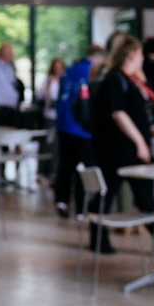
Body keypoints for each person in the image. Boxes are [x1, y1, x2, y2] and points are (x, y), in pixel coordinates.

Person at [89, 35, 154, 254]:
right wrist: (140, 142)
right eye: (141, 54)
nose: (143, 58)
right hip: (120, 149)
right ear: (132, 55)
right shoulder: (115, 80)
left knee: (134, 193)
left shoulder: (130, 80)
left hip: (127, 148)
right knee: (122, 192)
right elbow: (118, 113)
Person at [54, 44, 105, 217]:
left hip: (63, 125)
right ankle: (81, 207)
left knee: (65, 165)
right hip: (82, 128)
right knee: (83, 167)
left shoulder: (69, 71)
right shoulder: (93, 72)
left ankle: (61, 199)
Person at [36, 57, 65, 180]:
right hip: (49, 116)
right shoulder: (48, 80)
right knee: (46, 144)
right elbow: (40, 95)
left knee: (57, 146)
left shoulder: (64, 81)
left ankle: (54, 170)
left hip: (60, 116)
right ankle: (43, 171)